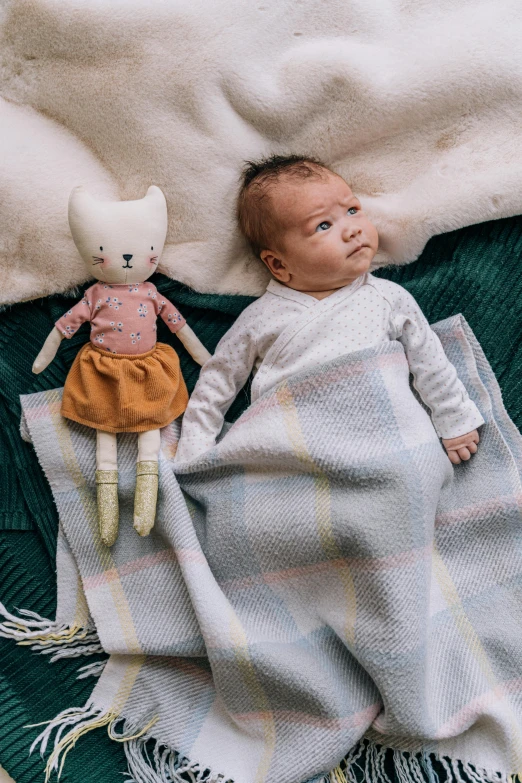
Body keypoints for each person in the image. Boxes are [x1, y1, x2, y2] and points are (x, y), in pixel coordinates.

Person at [175, 155, 483, 464]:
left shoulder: (388, 297)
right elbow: (217, 381)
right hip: (290, 447)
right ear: (279, 264)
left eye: (352, 210)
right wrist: (196, 447)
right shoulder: (260, 318)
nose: (351, 230)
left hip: (384, 441)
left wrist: (454, 419)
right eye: (323, 225)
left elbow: (429, 359)